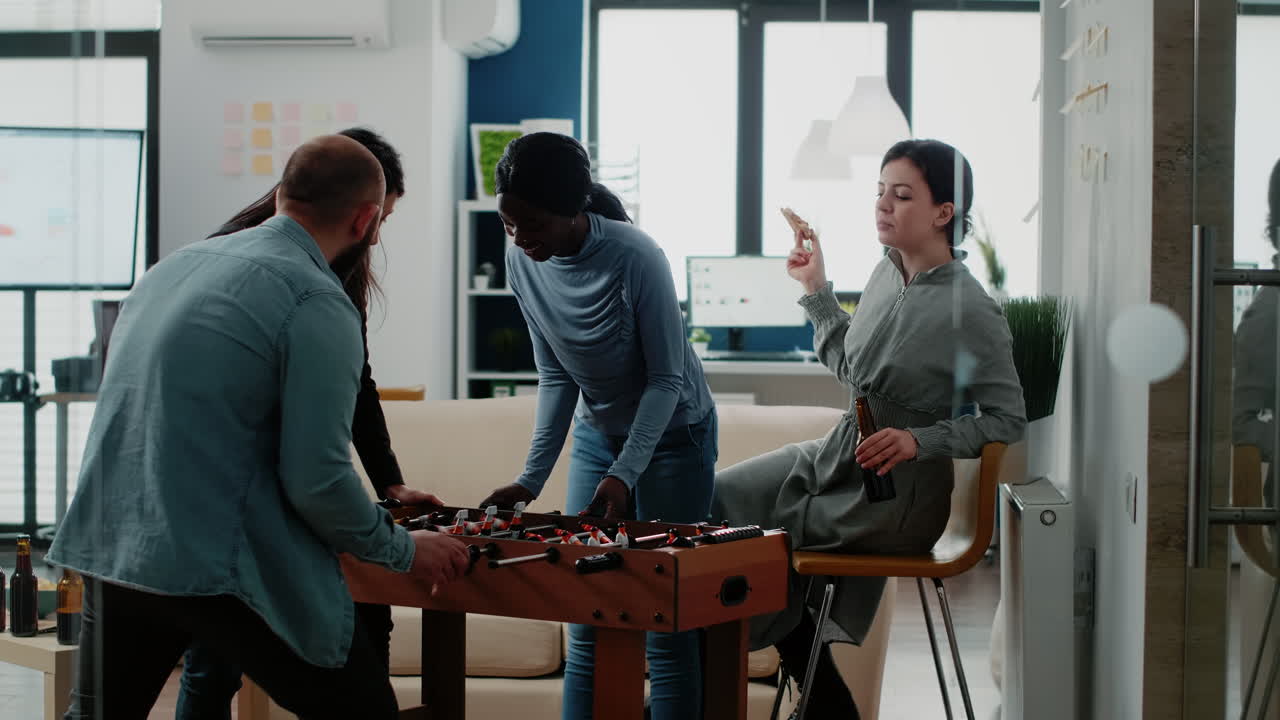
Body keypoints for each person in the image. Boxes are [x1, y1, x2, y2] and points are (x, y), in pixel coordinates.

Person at [47, 135, 470, 719]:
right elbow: (318, 480)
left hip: (114, 544)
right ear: (368, 219)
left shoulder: (174, 267)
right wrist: (401, 550)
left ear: (281, 195)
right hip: (215, 566)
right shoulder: (316, 301)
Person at [711, 139, 1027, 717]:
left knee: (767, 541)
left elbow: (1008, 420)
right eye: (879, 191)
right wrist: (816, 288)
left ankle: (819, 696)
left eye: (901, 194)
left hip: (894, 493)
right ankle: (821, 695)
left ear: (943, 213)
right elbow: (853, 374)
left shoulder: (973, 308)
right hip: (838, 456)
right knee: (718, 498)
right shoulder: (885, 274)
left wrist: (918, 441)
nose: (883, 204)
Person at [175, 127, 439, 720]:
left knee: (366, 609)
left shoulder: (332, 271)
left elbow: (358, 386)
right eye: (381, 219)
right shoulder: (262, 266)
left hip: (280, 491)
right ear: (359, 212)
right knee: (213, 660)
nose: (376, 234)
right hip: (230, 504)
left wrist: (389, 482)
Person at [476, 132, 717, 720]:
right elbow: (555, 373)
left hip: (675, 438)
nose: (518, 237)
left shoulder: (637, 256)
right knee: (585, 611)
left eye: (529, 223)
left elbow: (666, 380)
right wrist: (530, 480)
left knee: (666, 621)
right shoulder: (520, 260)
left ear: (571, 210)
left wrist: (624, 473)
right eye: (508, 224)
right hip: (596, 434)